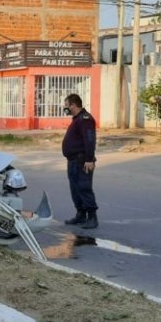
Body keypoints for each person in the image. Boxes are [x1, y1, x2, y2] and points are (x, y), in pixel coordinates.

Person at [61, 93, 98, 229]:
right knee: (75, 189)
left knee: (84, 188)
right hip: (72, 161)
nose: (65, 108)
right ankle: (80, 215)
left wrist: (89, 159)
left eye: (66, 105)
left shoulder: (85, 119)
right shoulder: (77, 119)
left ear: (73, 105)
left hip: (82, 161)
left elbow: (90, 140)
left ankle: (92, 217)